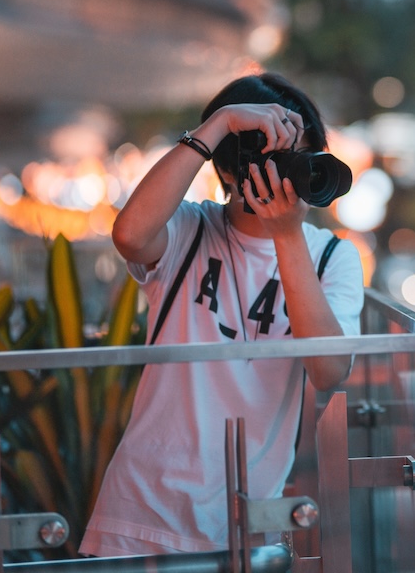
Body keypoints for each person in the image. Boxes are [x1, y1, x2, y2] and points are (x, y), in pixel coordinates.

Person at [80, 72, 363, 558]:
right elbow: (129, 235)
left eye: (305, 155)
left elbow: (330, 371)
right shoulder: (190, 229)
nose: (297, 173)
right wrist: (218, 126)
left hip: (245, 528)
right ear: (232, 172)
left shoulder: (330, 257)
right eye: (281, 159)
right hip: (138, 515)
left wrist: (287, 236)